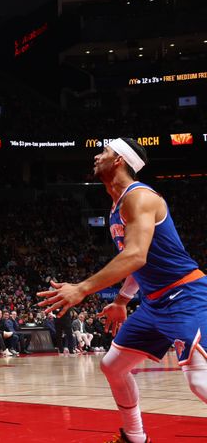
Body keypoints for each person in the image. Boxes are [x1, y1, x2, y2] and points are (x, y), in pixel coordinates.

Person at [38, 138, 207, 443]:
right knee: (112, 366)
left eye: (103, 152)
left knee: (199, 382)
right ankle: (135, 437)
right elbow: (138, 264)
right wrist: (121, 300)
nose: (96, 156)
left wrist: (82, 288)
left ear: (118, 160)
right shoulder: (115, 208)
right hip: (155, 303)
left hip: (186, 296)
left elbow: (135, 256)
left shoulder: (139, 196)